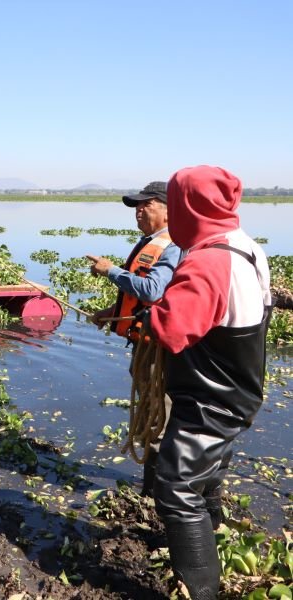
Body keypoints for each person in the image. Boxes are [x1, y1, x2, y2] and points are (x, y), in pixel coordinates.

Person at [141, 166, 272, 599]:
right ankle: (212, 531)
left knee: (175, 487)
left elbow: (172, 330)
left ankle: (201, 590)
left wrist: (151, 315)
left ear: (187, 207)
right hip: (240, 387)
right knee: (208, 469)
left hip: (210, 398)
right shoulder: (245, 246)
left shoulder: (207, 260)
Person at [86, 181, 181, 496]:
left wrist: (111, 270)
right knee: (150, 412)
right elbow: (141, 298)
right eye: (137, 206)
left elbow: (154, 291)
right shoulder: (150, 241)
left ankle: (156, 493)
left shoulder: (174, 244)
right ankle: (152, 486)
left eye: (146, 205)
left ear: (168, 210)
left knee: (159, 417)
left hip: (159, 348)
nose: (139, 211)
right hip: (144, 344)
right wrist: (110, 311)